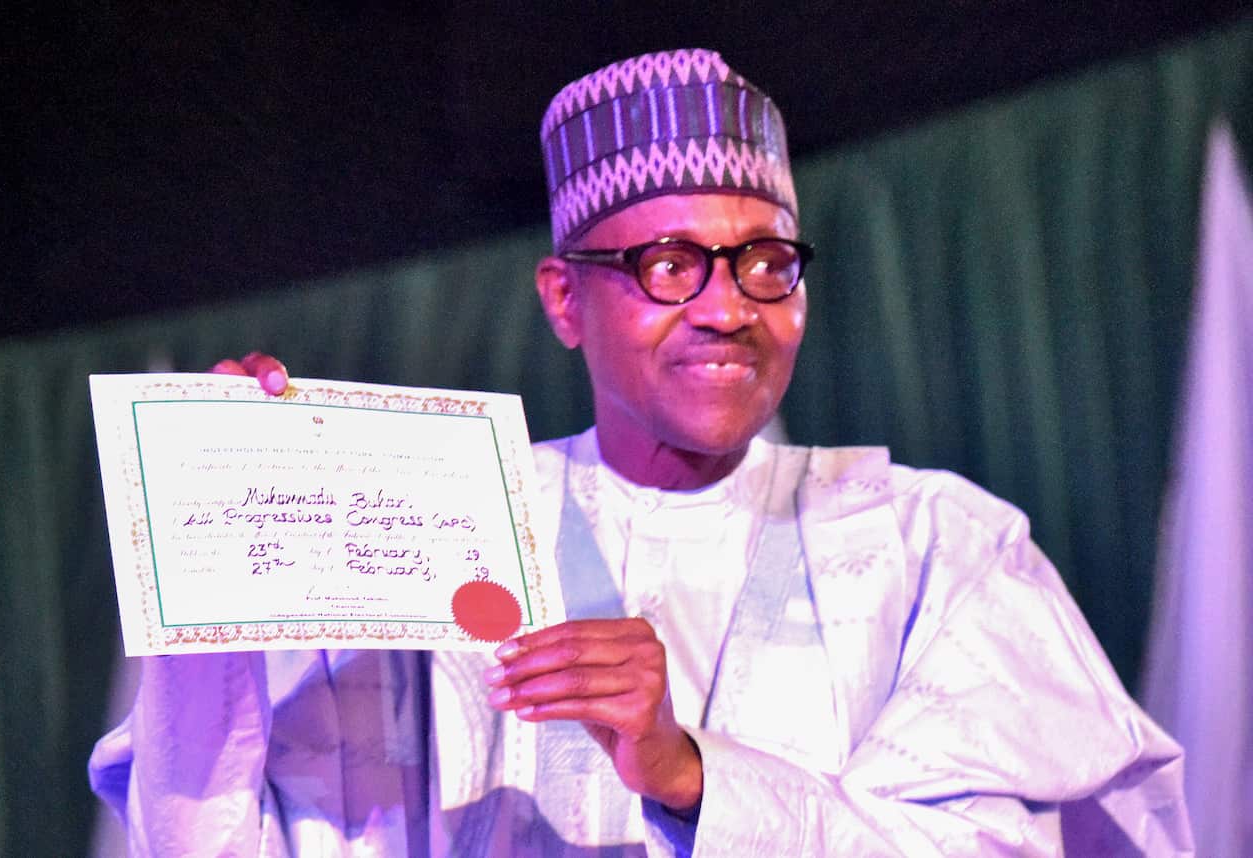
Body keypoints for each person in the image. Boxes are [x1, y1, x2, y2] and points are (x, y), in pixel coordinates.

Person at [90, 49, 1192, 856]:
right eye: (670, 264)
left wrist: (685, 772)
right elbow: (226, 835)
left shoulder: (932, 545)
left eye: (765, 262)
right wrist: (229, 544)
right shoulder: (428, 527)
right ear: (564, 300)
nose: (726, 307)